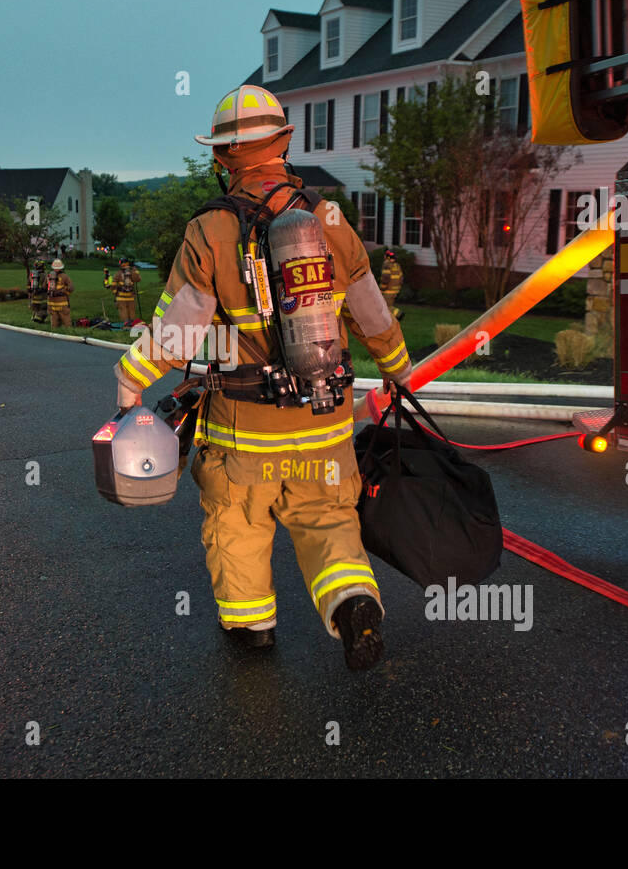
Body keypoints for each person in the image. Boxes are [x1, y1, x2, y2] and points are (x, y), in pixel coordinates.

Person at [112, 84, 414, 671]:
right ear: (285, 142)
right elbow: (372, 310)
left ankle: (252, 629)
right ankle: (353, 602)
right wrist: (400, 372)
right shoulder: (328, 220)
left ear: (222, 158)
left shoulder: (210, 231)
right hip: (324, 426)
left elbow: (178, 333)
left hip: (243, 435)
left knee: (239, 524)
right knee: (328, 520)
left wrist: (129, 380)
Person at [104, 256, 141, 324]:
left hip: (121, 297)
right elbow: (138, 279)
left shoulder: (118, 273)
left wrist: (114, 292)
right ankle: (132, 324)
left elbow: (113, 285)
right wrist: (135, 271)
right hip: (131, 297)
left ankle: (126, 325)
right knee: (132, 311)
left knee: (123, 311)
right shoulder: (132, 272)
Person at [47, 259, 74, 327]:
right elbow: (71, 288)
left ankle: (54, 333)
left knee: (54, 320)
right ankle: (69, 333)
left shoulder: (49, 276)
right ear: (61, 267)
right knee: (66, 320)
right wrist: (65, 292)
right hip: (62, 303)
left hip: (51, 302)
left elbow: (44, 287)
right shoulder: (65, 276)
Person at [379, 249, 403, 318]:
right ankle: (390, 321)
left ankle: (399, 314)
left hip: (388, 291)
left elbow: (385, 279)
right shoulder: (397, 265)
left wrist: (381, 289)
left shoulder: (387, 265)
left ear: (387, 257)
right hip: (395, 291)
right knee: (388, 306)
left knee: (385, 308)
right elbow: (401, 279)